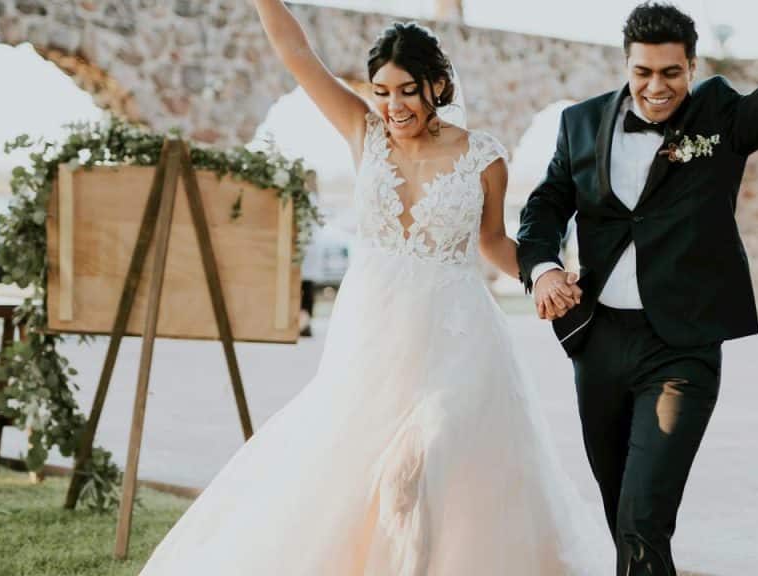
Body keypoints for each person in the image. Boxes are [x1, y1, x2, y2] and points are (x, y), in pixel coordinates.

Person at [139, 1, 612, 574]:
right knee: (355, 473)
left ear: (437, 85)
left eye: (407, 91)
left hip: (456, 336)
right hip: (372, 335)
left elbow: (490, 240)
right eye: (382, 91)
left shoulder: (483, 157)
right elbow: (297, 53)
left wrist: (543, 276)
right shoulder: (363, 131)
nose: (393, 106)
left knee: (423, 458)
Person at [516, 1, 758, 574]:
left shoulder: (721, 117)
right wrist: (543, 269)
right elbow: (546, 206)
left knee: (643, 515)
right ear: (626, 65)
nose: (657, 87)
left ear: (692, 66)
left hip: (681, 348)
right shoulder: (579, 123)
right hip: (598, 342)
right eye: (643, 72)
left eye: (671, 73)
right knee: (621, 517)